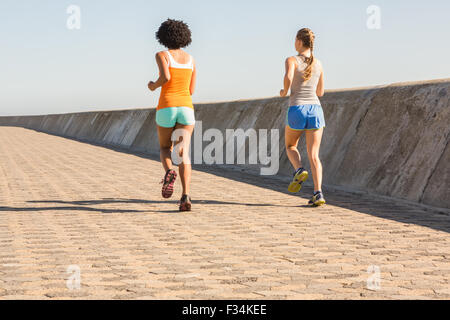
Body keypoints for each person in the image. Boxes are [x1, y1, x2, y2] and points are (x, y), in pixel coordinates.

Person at [148, 19, 196, 212]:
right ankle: (185, 196)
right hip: (186, 107)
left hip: (167, 106)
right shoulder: (191, 60)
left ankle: (169, 172)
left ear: (163, 36)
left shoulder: (162, 55)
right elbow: (191, 90)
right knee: (183, 154)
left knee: (165, 147)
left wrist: (153, 86)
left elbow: (166, 77)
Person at [280, 28, 326, 206]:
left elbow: (288, 76)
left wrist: (284, 91)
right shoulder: (319, 64)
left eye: (295, 40)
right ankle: (318, 193)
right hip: (315, 109)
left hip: (297, 108)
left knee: (291, 145)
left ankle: (299, 170)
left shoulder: (291, 60)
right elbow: (320, 92)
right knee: (314, 155)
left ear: (299, 42)